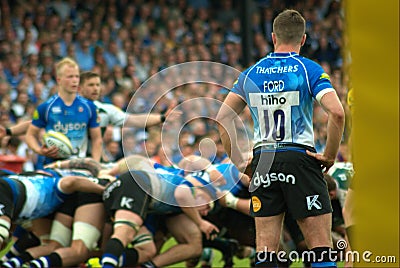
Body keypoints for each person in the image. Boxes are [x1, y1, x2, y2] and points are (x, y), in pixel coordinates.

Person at [216, 9, 345, 268]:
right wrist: (330, 155)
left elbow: (222, 118)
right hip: (300, 157)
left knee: (266, 250)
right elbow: (337, 113)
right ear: (303, 39)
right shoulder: (308, 69)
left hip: (264, 159)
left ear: (273, 37)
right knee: (320, 246)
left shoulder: (251, 73)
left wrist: (241, 162)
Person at [25, 57, 102, 165]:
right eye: (70, 77)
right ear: (59, 80)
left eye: (77, 76)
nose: (75, 80)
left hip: (79, 164)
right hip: (52, 165)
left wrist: (95, 165)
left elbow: (97, 139)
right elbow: (30, 135)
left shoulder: (89, 107)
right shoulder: (46, 107)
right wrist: (39, 150)